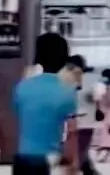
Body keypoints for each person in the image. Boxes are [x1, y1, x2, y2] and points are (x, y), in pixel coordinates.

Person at [12, 32, 78, 175]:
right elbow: (71, 131)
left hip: (23, 157)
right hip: (51, 159)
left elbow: (19, 115)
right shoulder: (68, 90)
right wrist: (72, 161)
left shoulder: (22, 87)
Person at [91, 69, 110, 162]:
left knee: (107, 135)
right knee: (107, 135)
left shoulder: (105, 88)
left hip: (108, 113)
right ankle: (103, 154)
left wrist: (98, 109)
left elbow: (99, 101)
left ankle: (103, 155)